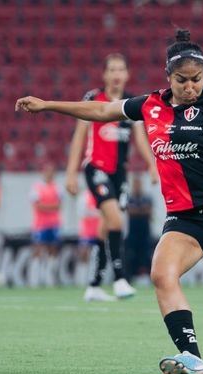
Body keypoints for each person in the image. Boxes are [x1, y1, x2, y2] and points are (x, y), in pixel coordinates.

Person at [15, 28, 203, 374]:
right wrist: (47, 105)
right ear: (168, 77)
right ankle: (192, 357)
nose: (190, 87)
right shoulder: (150, 105)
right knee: (161, 274)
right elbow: (103, 109)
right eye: (182, 80)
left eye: (197, 80)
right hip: (186, 216)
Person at [65, 53, 158, 301]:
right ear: (105, 74)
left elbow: (140, 138)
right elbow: (78, 138)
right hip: (96, 169)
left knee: (107, 227)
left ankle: (94, 284)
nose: (116, 74)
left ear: (127, 74)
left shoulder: (132, 102)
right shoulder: (94, 99)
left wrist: (152, 165)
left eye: (121, 70)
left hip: (120, 174)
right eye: (112, 70)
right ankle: (119, 280)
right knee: (116, 221)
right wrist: (71, 173)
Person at [29, 162, 62, 287]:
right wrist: (51, 207)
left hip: (54, 224)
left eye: (52, 171)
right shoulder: (36, 187)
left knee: (52, 250)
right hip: (40, 225)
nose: (50, 174)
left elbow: (58, 206)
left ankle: (49, 278)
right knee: (38, 249)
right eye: (48, 171)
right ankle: (34, 278)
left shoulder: (57, 187)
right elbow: (37, 205)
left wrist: (45, 206)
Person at [125, 173, 153, 285]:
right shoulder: (129, 197)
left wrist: (136, 210)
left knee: (146, 254)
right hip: (132, 232)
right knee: (131, 254)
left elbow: (148, 211)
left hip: (144, 232)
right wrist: (140, 210)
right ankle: (130, 277)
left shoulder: (147, 197)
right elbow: (129, 211)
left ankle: (148, 277)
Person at [75, 188, 101, 288]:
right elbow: (83, 213)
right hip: (86, 232)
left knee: (98, 257)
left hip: (99, 231)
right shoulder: (84, 196)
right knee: (84, 255)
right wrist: (97, 212)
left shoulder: (101, 194)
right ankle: (81, 281)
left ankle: (95, 280)